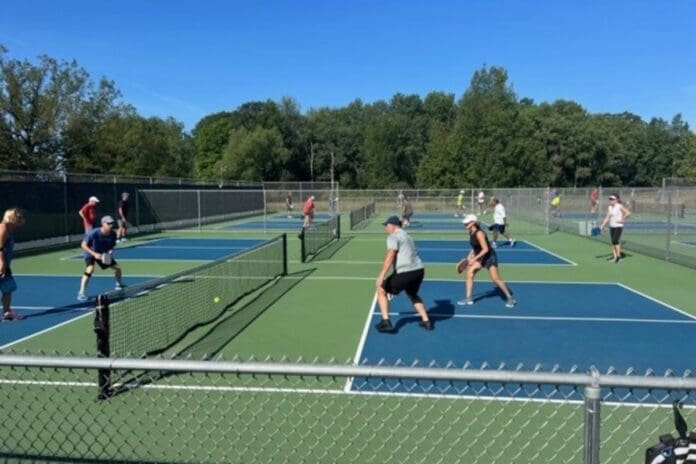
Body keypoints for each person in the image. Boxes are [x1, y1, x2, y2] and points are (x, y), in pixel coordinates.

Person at [375, 216, 432, 332]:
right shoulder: (408, 236)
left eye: (386, 226)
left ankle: (385, 321)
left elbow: (391, 254)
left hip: (406, 272)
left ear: (393, 225)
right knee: (412, 293)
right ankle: (426, 321)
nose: (385, 228)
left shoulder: (393, 236)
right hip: (419, 271)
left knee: (381, 289)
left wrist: (382, 274)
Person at [458, 214, 516, 308]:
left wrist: (474, 259)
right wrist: (469, 257)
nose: (465, 224)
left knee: (495, 279)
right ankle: (468, 298)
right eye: (465, 223)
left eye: (467, 223)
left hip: (489, 257)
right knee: (470, 272)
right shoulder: (471, 232)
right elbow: (475, 247)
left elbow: (485, 249)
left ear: (473, 223)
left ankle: (510, 298)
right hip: (481, 257)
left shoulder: (479, 233)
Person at [77, 216, 125, 302]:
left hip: (102, 254)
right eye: (109, 223)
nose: (111, 225)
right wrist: (94, 254)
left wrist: (110, 251)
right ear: (103, 224)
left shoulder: (113, 234)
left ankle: (119, 284)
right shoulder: (93, 233)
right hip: (90, 253)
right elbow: (83, 245)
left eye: (112, 223)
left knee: (117, 268)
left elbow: (112, 245)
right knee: (90, 269)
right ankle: (81, 292)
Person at [0, 208, 25, 321]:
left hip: (5, 264)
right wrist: (1, 263)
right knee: (8, 288)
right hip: (1, 263)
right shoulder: (3, 227)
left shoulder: (9, 230)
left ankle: (7, 313)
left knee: (8, 288)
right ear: (11, 217)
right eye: (18, 217)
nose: (20, 219)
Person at [599, 194, 632, 263]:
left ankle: (619, 257)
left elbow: (628, 213)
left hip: (618, 226)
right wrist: (602, 226)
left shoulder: (619, 206)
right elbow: (607, 217)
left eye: (613, 199)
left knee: (615, 240)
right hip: (612, 226)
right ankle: (615, 257)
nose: (611, 200)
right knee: (613, 242)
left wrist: (622, 219)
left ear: (616, 200)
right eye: (610, 199)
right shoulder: (609, 207)